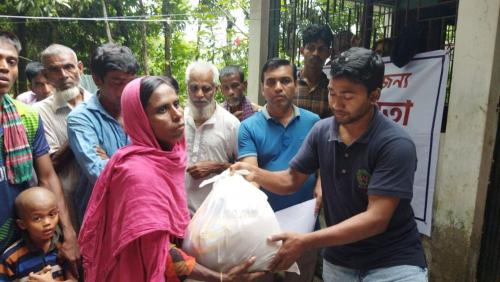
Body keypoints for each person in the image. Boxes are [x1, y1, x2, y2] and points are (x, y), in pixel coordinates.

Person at [232, 47, 428, 281]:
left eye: (347, 96)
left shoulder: (394, 144)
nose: (336, 104)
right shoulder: (321, 131)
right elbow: (290, 180)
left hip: (392, 262)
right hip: (340, 261)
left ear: (374, 95)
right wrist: (253, 172)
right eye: (332, 93)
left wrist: (306, 240)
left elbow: (376, 219)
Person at [78, 76, 262, 281]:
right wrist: (220, 278)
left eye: (176, 104)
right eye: (162, 110)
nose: (177, 115)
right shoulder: (137, 173)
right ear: (140, 119)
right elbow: (160, 253)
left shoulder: (167, 157)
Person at [0, 31, 79, 277]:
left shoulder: (27, 117)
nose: (4, 67)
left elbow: (47, 176)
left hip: (18, 238)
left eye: (11, 61)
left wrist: (69, 233)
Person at [238, 58, 320, 282]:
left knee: (301, 278)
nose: (278, 88)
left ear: (295, 84)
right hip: (263, 228)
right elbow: (250, 175)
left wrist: (321, 184)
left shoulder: (314, 123)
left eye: (285, 80)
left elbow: (323, 163)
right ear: (263, 88)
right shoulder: (248, 127)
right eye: (271, 82)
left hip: (305, 225)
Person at [67, 43, 137, 225]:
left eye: (131, 82)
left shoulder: (143, 111)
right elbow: (100, 175)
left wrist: (113, 161)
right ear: (97, 79)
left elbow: (163, 163)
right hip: (101, 221)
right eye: (117, 82)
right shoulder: (81, 118)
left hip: (140, 215)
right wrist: (141, 164)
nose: (126, 90)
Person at [35, 44, 92, 227]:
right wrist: (79, 130)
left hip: (105, 198)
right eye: (54, 70)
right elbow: (50, 165)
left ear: (80, 68)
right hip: (68, 206)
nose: (64, 75)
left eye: (68, 66)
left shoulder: (100, 102)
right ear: (46, 75)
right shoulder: (38, 113)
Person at [184, 61, 240, 214]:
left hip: (214, 216)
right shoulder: (178, 120)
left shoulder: (231, 124)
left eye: (206, 89)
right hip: (179, 215)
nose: (199, 95)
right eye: (194, 88)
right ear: (187, 88)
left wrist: (217, 166)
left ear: (215, 89)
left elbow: (247, 172)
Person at [0, 187, 76, 281]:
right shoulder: (11, 257)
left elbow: (73, 279)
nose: (48, 222)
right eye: (37, 218)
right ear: (22, 224)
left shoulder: (62, 248)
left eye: (52, 214)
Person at [296, 24, 333, 119]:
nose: (316, 53)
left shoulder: (332, 90)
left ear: (328, 53)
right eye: (311, 48)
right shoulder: (289, 85)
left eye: (321, 49)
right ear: (302, 50)